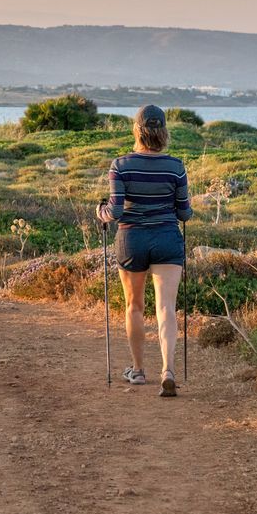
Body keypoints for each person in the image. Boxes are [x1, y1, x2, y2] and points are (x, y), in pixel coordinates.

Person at [97, 105, 193, 397]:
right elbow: (185, 214)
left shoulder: (121, 165)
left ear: (137, 130)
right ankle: (169, 370)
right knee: (166, 308)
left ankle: (138, 371)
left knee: (134, 306)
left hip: (132, 240)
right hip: (166, 238)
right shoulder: (176, 167)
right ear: (164, 131)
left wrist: (99, 211)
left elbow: (113, 211)